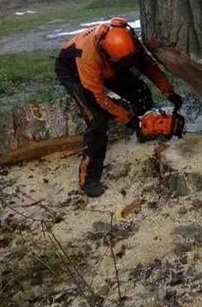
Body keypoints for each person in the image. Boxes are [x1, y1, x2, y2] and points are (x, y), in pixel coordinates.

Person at [55, 17, 182, 197]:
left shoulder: (127, 43)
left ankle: (144, 131)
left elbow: (148, 66)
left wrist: (169, 92)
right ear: (105, 52)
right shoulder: (88, 57)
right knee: (97, 121)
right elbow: (100, 98)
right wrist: (129, 120)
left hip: (110, 64)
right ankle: (88, 180)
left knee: (140, 90)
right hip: (73, 71)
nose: (129, 64)